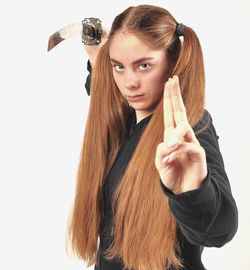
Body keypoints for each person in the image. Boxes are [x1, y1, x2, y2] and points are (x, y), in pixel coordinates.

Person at [66, 4, 238, 270]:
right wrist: (98, 61)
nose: (129, 83)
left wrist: (193, 190)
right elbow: (105, 93)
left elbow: (219, 230)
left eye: (144, 65)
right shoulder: (123, 120)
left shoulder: (188, 128)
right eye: (119, 67)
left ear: (173, 63)